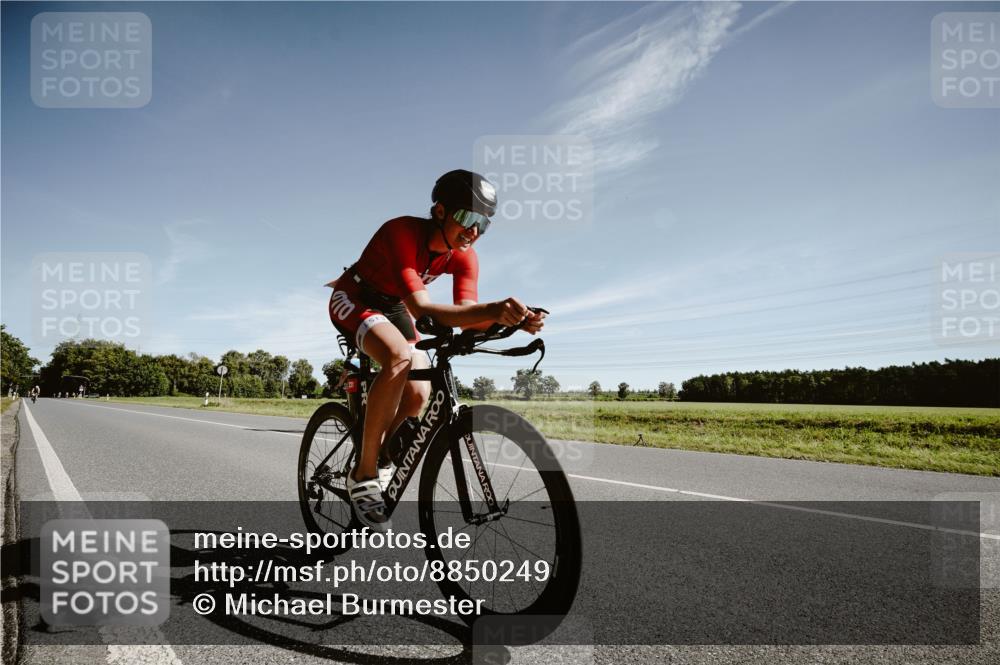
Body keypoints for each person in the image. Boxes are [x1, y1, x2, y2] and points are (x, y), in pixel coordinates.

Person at [326, 169, 545, 531]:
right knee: (397, 356)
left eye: (484, 224)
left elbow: (467, 318)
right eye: (468, 218)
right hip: (355, 296)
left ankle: (381, 457)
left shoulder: (464, 256)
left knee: (418, 394)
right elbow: (423, 310)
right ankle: (362, 476)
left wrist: (515, 322)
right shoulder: (401, 232)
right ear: (441, 212)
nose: (474, 231)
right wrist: (494, 309)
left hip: (393, 305)